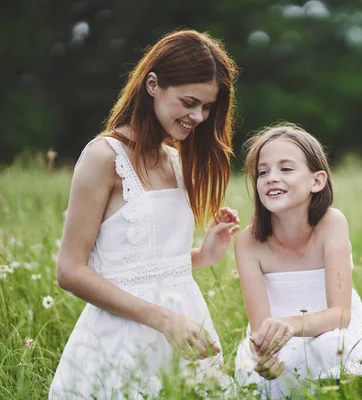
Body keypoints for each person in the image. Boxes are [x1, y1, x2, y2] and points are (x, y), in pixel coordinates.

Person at [49, 29, 240, 399]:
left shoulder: (176, 160)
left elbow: (142, 264)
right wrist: (163, 320)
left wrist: (203, 255)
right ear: (153, 84)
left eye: (206, 107)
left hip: (185, 329)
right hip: (124, 339)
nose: (198, 116)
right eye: (188, 102)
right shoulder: (103, 157)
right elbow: (70, 271)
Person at [234, 123, 362, 398]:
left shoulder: (331, 223)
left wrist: (290, 325)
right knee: (266, 381)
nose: (271, 177)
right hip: (280, 345)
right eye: (262, 172)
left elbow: (340, 315)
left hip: (329, 334)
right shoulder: (248, 242)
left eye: (286, 169)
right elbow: (260, 329)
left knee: (333, 347)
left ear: (317, 181)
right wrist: (264, 355)